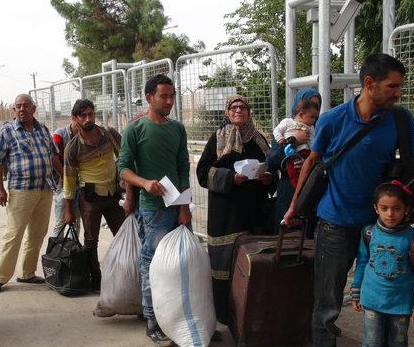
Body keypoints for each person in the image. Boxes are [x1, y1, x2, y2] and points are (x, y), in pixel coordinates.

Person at [283, 54, 414, 347]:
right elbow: (312, 162)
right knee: (327, 304)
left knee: (382, 297)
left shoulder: (400, 118)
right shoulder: (332, 120)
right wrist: (294, 206)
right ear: (369, 83)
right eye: (392, 86)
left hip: (381, 227)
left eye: (400, 87)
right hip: (335, 224)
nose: (398, 93)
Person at [118, 74, 191, 347]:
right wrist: (144, 183)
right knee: (152, 264)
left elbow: (183, 167)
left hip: (176, 207)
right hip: (152, 211)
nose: (170, 101)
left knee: (180, 264)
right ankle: (152, 319)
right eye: (164, 96)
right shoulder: (135, 129)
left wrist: (184, 207)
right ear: (150, 97)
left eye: (172, 96)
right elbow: (123, 167)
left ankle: (178, 316)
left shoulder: (177, 129)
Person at [195, 95, 275, 325]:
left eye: (242, 107)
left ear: (249, 112)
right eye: (234, 107)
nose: (238, 110)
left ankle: (251, 314)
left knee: (251, 267)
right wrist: (230, 178)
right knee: (224, 266)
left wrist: (270, 178)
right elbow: (202, 173)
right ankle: (224, 314)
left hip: (253, 214)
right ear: (227, 112)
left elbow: (272, 168)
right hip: (225, 215)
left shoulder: (259, 140)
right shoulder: (218, 138)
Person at [0, 94, 62, 295]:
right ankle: (0, 278)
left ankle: (27, 273)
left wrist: (63, 175)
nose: (21, 109)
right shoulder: (7, 131)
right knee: (13, 235)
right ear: (13, 110)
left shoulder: (43, 129)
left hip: (45, 189)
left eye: (26, 106)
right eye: (17, 106)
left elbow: (53, 155)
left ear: (33, 109)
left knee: (37, 234)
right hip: (21, 191)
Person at [350, 181, 414, 347]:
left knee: (398, 343)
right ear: (376, 209)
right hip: (371, 299)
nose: (390, 214)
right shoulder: (368, 233)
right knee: (372, 342)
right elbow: (362, 262)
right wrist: (356, 290)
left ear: (406, 208)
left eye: (396, 208)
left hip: (400, 304)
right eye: (384, 208)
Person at [63, 99, 125, 292]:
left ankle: (125, 275)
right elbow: (69, 182)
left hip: (114, 194)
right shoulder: (73, 148)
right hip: (90, 199)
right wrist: (68, 211)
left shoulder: (110, 134)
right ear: (75, 119)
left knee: (123, 236)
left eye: (91, 114)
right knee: (91, 242)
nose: (89, 118)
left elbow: (125, 157)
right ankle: (96, 281)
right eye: (84, 115)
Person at [266, 88, 321, 233]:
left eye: (317, 106)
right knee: (286, 241)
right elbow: (271, 163)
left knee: (307, 239)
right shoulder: (286, 128)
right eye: (310, 104)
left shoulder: (318, 130)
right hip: (288, 192)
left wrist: (309, 163)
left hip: (310, 192)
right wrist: (294, 141)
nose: (313, 110)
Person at [273, 97, 320, 188]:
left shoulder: (311, 127)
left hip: (307, 154)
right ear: (301, 114)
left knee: (307, 174)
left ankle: (304, 188)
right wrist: (281, 139)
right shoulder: (288, 122)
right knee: (293, 172)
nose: (314, 120)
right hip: (291, 153)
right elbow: (276, 130)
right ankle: (298, 189)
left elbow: (313, 141)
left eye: (315, 117)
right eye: (312, 117)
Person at [52, 119, 81, 237]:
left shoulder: (85, 134)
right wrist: (64, 177)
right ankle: (56, 252)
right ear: (73, 118)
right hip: (62, 180)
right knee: (61, 220)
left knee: (76, 221)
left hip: (79, 180)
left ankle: (73, 250)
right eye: (80, 118)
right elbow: (54, 158)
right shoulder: (60, 134)